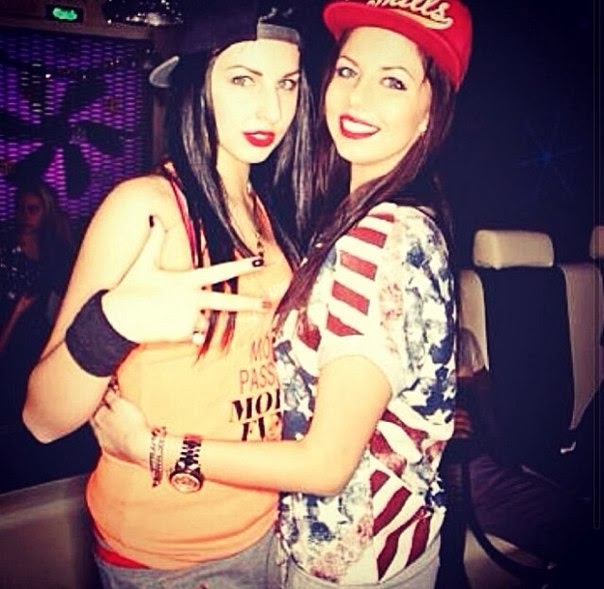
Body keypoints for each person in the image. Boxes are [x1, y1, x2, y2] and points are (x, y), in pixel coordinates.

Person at [91, 1, 473, 587]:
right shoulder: (377, 221)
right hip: (376, 546)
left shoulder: (377, 242)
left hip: (347, 564)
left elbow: (324, 465)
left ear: (431, 114)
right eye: (348, 71)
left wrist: (155, 449)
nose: (358, 97)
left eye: (393, 81)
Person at [23, 0, 313, 587]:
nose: (271, 108)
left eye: (286, 84)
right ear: (196, 85)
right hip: (170, 558)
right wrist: (114, 322)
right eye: (243, 80)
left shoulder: (271, 210)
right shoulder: (146, 207)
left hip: (268, 526)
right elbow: (42, 418)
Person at [438, 327, 598, 588]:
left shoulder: (462, 339)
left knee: (580, 521)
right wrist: (436, 427)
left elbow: (488, 404)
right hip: (456, 478)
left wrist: (507, 457)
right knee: (576, 529)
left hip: (484, 465)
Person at [1, 180, 74, 421]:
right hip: (11, 324)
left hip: (41, 327)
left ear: (46, 212)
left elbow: (62, 284)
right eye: (20, 208)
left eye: (33, 209)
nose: (25, 216)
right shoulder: (8, 244)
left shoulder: (51, 244)